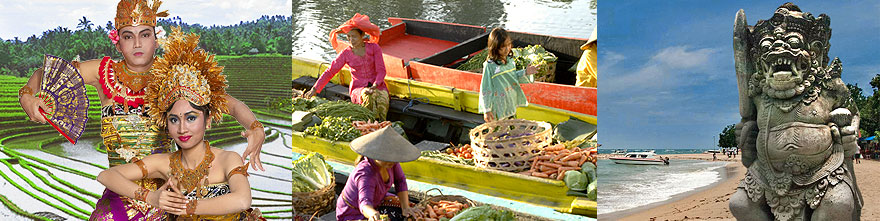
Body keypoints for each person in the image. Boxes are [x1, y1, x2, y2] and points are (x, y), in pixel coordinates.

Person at [15, 1, 265, 218]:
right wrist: (27, 96)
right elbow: (48, 73)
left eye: (144, 34)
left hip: (167, 191)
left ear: (156, 39)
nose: (137, 43)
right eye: (128, 36)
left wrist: (255, 127)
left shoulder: (173, 73)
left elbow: (231, 103)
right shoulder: (103, 73)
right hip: (120, 189)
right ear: (118, 42)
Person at [94, 28, 263, 220]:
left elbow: (242, 200)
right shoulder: (163, 162)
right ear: (166, 123)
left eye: (191, 118)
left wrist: (256, 127)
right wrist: (151, 197)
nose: (182, 128)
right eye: (174, 120)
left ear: (207, 120)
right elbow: (105, 176)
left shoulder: (227, 159)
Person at [303, 13, 390, 120]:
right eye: (348, 37)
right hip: (358, 88)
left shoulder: (374, 48)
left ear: (362, 36)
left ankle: (381, 122)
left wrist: (375, 85)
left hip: (378, 85)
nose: (351, 40)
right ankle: (369, 123)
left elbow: (381, 70)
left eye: (354, 36)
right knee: (368, 96)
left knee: (380, 98)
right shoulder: (346, 53)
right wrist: (315, 89)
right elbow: (330, 71)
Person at [336, 127, 420, 221]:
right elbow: (365, 203)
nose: (391, 161)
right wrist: (373, 214)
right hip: (353, 213)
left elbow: (400, 181)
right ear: (375, 154)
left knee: (411, 210)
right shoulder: (365, 173)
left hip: (378, 201)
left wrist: (405, 207)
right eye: (385, 157)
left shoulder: (392, 163)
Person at [478, 28, 538, 122]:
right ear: (495, 47)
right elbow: (486, 88)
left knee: (511, 126)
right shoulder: (490, 66)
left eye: (508, 45)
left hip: (510, 101)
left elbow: (512, 77)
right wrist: (487, 110)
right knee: (499, 129)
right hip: (498, 105)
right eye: (503, 47)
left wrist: (526, 72)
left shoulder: (510, 61)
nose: (507, 49)